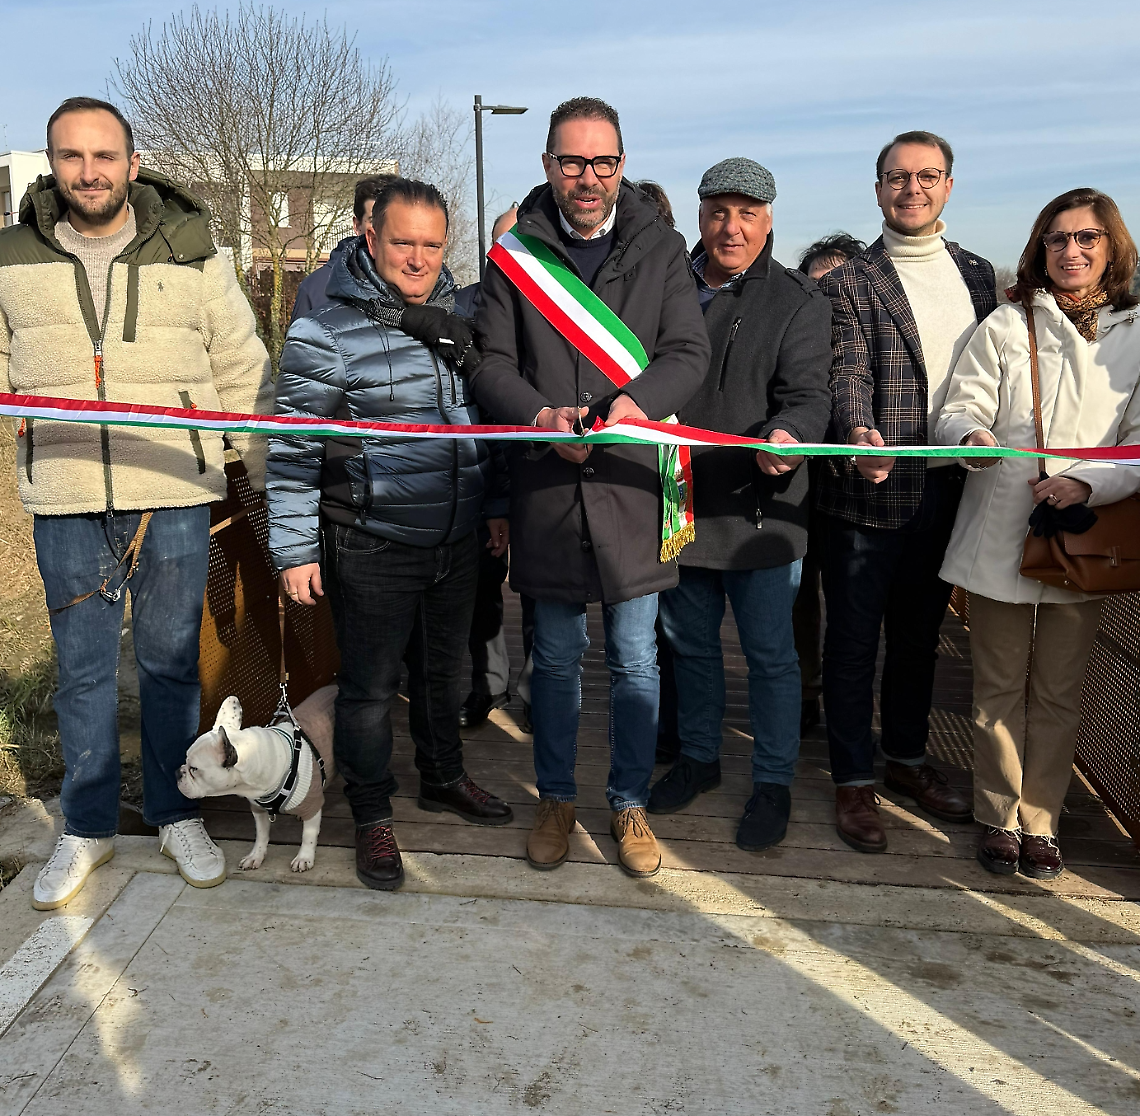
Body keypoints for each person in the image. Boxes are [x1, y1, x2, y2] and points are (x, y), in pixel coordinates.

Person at [0, 97, 273, 909]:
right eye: (72, 156)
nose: (89, 171)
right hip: (68, 494)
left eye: (104, 156)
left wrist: (252, 468)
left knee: (167, 667)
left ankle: (173, 811)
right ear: (52, 164)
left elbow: (240, 362)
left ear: (132, 161)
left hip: (173, 493)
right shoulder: (11, 257)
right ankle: (86, 829)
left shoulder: (193, 249)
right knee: (82, 675)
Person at [471, 97, 710, 878]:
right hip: (548, 478)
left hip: (633, 482)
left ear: (621, 166)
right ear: (547, 165)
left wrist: (634, 407)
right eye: (572, 162)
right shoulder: (514, 256)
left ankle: (629, 802)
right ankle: (557, 798)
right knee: (558, 659)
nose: (588, 177)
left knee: (638, 660)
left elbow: (686, 350)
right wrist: (542, 417)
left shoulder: (663, 246)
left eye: (603, 162)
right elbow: (489, 364)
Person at [268, 177, 512, 893]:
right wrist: (295, 550)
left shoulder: (464, 320)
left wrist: (494, 501)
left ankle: (442, 776)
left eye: (432, 244)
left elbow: (486, 425)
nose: (418, 257)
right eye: (402, 241)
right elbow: (291, 451)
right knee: (371, 692)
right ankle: (371, 813)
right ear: (370, 238)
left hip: (458, 536)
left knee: (447, 675)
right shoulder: (323, 331)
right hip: (370, 541)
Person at [936, 188, 1140, 880]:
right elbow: (959, 404)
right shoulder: (1005, 324)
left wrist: (1087, 484)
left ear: (1111, 248)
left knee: (1059, 688)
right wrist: (971, 433)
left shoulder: (1137, 332)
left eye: (1087, 238)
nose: (1072, 251)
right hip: (1002, 526)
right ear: (1040, 249)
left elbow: (1138, 442)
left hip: (1081, 533)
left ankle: (1042, 821)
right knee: (997, 685)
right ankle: (998, 816)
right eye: (1058, 239)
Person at [818, 130, 996, 853]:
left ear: (949, 185)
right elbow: (846, 371)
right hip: (867, 494)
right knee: (855, 643)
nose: (911, 189)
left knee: (922, 638)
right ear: (878, 188)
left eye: (927, 177)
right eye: (896, 177)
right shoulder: (847, 282)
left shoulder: (982, 276)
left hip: (954, 492)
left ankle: (906, 759)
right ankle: (853, 779)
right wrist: (858, 430)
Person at [647, 159, 832, 851]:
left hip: (765, 508)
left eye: (747, 213)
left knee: (771, 656)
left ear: (770, 219)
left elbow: (809, 395)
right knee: (688, 646)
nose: (732, 227)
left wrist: (793, 435)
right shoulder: (665, 290)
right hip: (679, 500)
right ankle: (698, 760)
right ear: (700, 216)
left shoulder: (799, 300)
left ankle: (774, 779)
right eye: (719, 211)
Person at [453, 207, 524, 731]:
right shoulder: (461, 311)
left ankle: (540, 690)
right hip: (486, 468)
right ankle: (487, 684)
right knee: (482, 589)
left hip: (549, 468)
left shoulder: (563, 308)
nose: (509, 256)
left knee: (549, 597)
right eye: (501, 246)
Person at [794, 232, 867, 732]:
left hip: (850, 488)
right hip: (796, 489)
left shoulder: (865, 353)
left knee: (849, 605)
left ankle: (843, 702)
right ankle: (804, 693)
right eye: (820, 289)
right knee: (797, 600)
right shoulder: (795, 341)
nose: (831, 301)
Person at [290, 174, 396, 321]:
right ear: (357, 225)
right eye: (375, 221)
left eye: (394, 221)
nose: (384, 230)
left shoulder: (420, 281)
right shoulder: (316, 289)